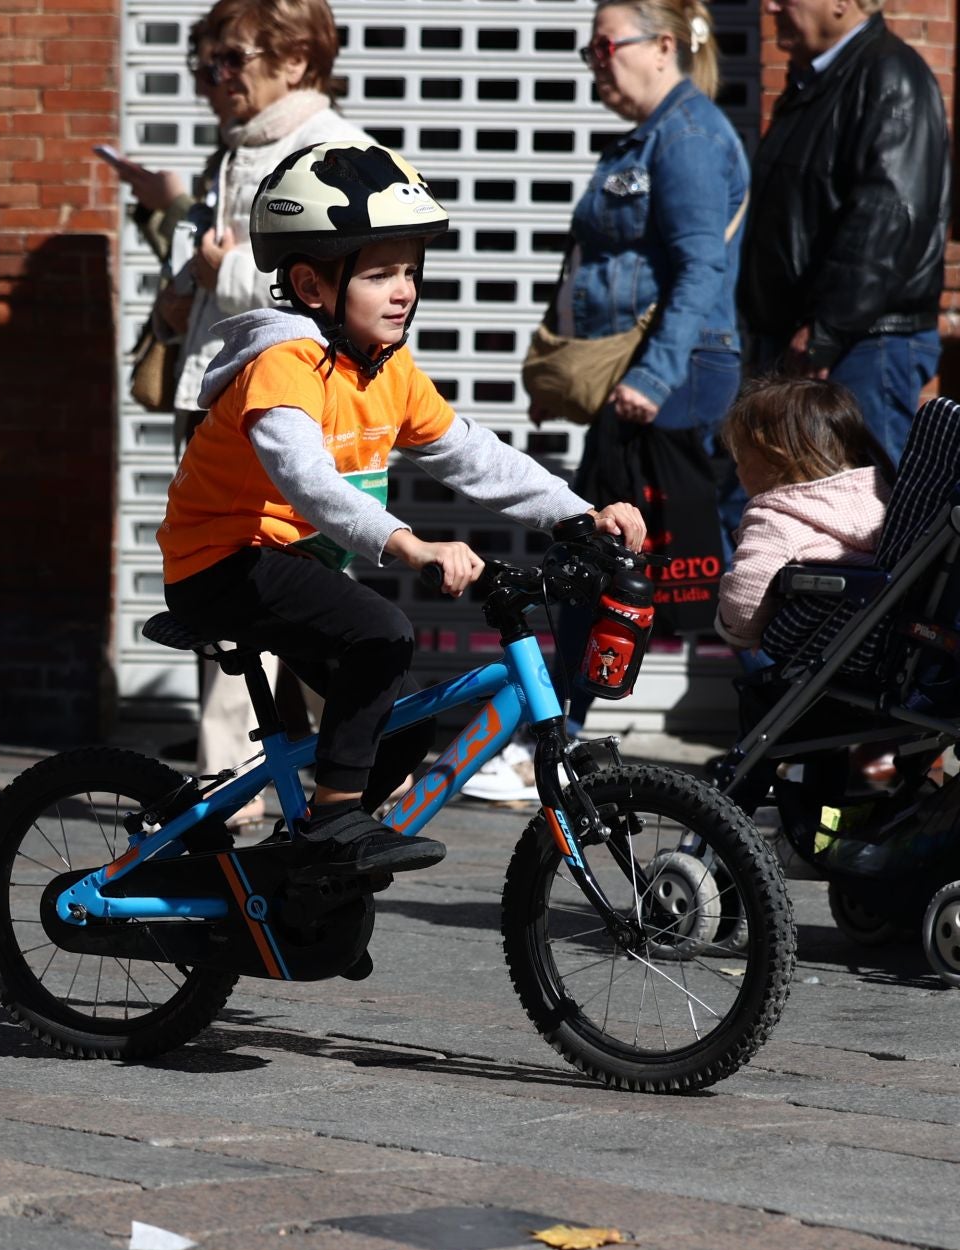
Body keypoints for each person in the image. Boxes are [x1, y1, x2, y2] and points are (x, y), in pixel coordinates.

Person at [157, 140, 646, 874]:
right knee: (381, 632)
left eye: (410, 271)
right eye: (380, 272)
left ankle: (305, 870)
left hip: (290, 567)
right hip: (221, 564)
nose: (403, 290)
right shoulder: (283, 368)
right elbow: (310, 483)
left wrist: (577, 514)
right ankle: (329, 829)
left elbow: (472, 455)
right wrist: (408, 546)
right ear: (313, 286)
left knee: (405, 722)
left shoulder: (387, 369)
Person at [102, 0, 372, 827]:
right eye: (202, 64)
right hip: (229, 406)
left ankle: (347, 771)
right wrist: (184, 241)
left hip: (295, 411)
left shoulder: (335, 151)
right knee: (231, 594)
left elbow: (346, 284)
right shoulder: (241, 150)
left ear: (295, 61)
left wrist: (222, 274)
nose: (213, 81)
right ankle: (230, 774)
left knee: (313, 592)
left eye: (230, 61)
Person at [542, 0, 749, 742]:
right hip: (643, 382)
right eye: (589, 50)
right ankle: (560, 728)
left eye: (604, 45)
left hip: (672, 385)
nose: (595, 61)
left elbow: (701, 271)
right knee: (617, 555)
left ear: (663, 45)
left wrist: (652, 380)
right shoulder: (649, 138)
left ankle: (558, 732)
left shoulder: (687, 137)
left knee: (655, 558)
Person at [737, 0, 951, 466]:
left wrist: (828, 328)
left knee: (866, 511)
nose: (770, 5)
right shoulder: (815, 82)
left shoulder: (889, 75)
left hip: (859, 345)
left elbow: (890, 214)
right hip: (808, 344)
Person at [715, 376, 893, 652]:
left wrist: (738, 634)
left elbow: (745, 595)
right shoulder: (881, 493)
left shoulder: (775, 516)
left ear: (774, 458)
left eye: (741, 459)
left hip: (816, 647)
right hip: (883, 640)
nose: (737, 472)